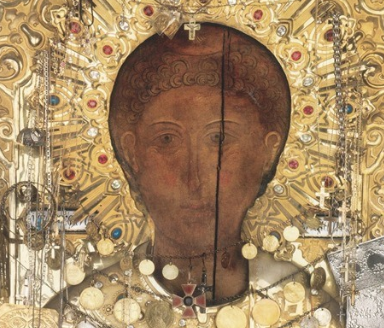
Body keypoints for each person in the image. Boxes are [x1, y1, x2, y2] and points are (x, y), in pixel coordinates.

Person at [109, 23, 290, 302]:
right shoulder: (95, 306)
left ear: (268, 153)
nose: (193, 179)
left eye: (219, 138)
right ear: (131, 153)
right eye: (167, 139)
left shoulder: (300, 303)